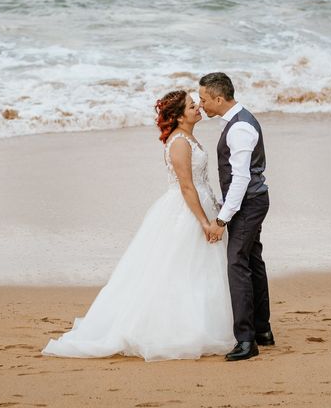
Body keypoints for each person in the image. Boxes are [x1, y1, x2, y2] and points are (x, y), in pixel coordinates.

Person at [42, 90, 235, 361]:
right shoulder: (179, 142)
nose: (198, 108)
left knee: (198, 271)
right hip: (186, 212)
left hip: (201, 205)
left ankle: (202, 323)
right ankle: (175, 329)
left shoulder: (188, 137)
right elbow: (186, 186)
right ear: (179, 116)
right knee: (178, 270)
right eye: (192, 106)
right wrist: (203, 221)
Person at [199, 72, 274, 362]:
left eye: (204, 99)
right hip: (252, 200)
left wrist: (221, 220)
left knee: (237, 265)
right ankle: (262, 330)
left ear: (219, 99)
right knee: (253, 260)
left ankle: (246, 340)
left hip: (249, 202)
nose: (202, 104)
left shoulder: (239, 128)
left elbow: (241, 178)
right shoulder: (238, 120)